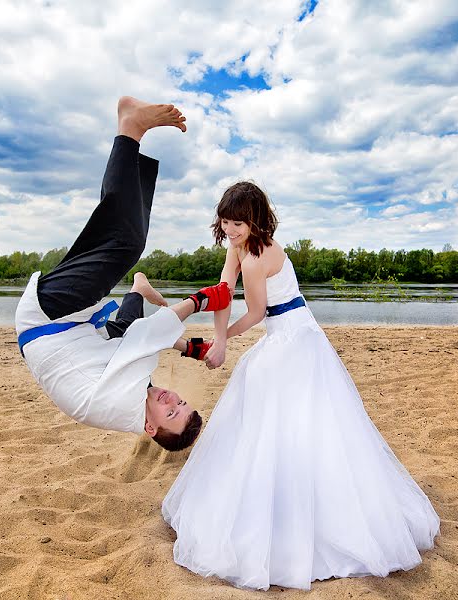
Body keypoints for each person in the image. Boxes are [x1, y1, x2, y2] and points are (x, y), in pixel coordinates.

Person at [162, 182, 440, 589]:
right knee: (259, 404)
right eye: (226, 221)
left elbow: (256, 313)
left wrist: (222, 342)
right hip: (283, 331)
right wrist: (216, 339)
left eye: (238, 222)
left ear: (255, 220)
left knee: (291, 415)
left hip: (293, 335)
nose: (231, 229)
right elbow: (223, 291)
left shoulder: (258, 255)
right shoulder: (236, 244)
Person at [14, 97, 231, 451]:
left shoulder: (120, 402)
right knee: (122, 320)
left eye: (171, 413)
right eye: (181, 402)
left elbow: (145, 338)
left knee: (126, 243)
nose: (171, 400)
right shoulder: (134, 399)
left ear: (149, 427)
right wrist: (191, 348)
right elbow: (135, 342)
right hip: (75, 332)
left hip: (50, 317)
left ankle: (129, 127)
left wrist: (200, 300)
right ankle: (136, 289)